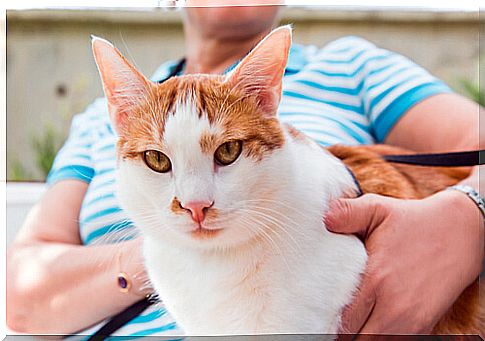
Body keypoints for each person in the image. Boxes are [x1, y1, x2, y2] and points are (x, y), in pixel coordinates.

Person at [7, 1, 484, 337]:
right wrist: (161, 254)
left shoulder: (349, 66)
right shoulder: (99, 120)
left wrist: (468, 213)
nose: (195, 201)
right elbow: (22, 296)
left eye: (227, 152)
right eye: (157, 160)